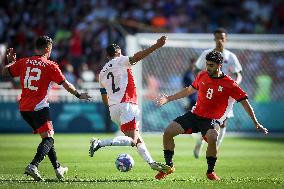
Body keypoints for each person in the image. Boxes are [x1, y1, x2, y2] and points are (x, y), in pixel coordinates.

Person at [155, 51, 268, 180]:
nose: (208, 67)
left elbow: (245, 103)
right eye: (207, 64)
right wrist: (168, 98)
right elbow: (189, 90)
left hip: (211, 120)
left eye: (211, 65)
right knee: (168, 132)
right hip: (194, 115)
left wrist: (256, 122)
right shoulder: (202, 75)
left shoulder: (230, 84)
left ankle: (210, 171)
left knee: (213, 137)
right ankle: (169, 166)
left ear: (220, 65)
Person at [2, 36, 91, 181]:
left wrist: (12, 62)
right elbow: (66, 84)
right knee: (49, 139)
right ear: (48, 48)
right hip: (39, 107)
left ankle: (58, 168)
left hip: (24, 108)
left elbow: (5, 72)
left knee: (47, 138)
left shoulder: (24, 62)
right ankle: (33, 165)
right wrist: (78, 94)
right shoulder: (50, 65)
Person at [89, 36, 171, 173]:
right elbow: (137, 57)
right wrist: (156, 46)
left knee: (137, 138)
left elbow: (104, 98)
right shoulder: (120, 60)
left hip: (114, 109)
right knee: (132, 139)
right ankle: (99, 143)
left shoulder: (102, 72)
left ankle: (151, 163)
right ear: (117, 52)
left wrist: (114, 106)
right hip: (127, 104)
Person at [193, 28, 243, 158]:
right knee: (205, 121)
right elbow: (197, 69)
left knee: (223, 122)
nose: (219, 40)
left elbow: (239, 74)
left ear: (226, 39)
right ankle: (200, 141)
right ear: (214, 39)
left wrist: (235, 84)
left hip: (225, 94)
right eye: (217, 38)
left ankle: (216, 147)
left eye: (222, 37)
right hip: (209, 92)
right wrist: (200, 84)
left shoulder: (231, 56)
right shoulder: (206, 53)